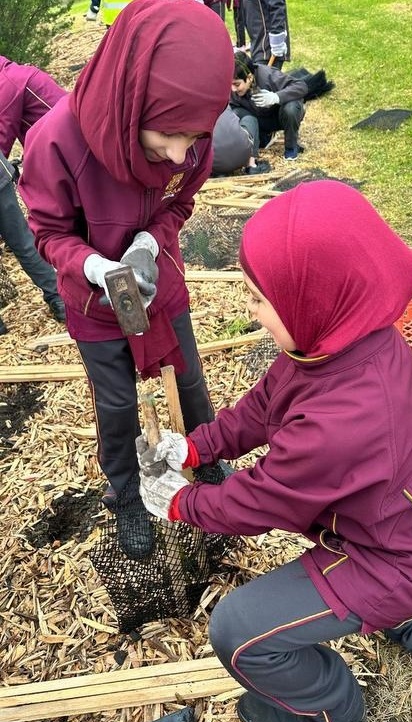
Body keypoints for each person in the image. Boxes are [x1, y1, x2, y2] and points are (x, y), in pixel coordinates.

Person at [137, 180, 412, 722]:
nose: (250, 309)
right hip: (405, 531)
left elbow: (260, 500)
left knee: (237, 631)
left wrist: (179, 500)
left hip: (398, 557)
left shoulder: (343, 418)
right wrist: (198, 448)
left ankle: (330, 705)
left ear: (311, 298)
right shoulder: (333, 340)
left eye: (259, 298)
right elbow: (264, 405)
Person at [20, 0, 234, 561]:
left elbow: (180, 201)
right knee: (116, 406)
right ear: (131, 97)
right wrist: (95, 267)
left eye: (194, 138)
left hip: (158, 280)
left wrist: (149, 241)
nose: (179, 154)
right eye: (166, 135)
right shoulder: (56, 142)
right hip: (93, 304)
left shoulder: (192, 134)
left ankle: (204, 457)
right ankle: (127, 499)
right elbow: (47, 232)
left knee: (187, 379)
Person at [0, 56, 66, 323]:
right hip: (59, 148)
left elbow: (3, 136)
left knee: (25, 242)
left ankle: (60, 297)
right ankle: (58, 297)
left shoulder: (7, 82)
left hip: (64, 149)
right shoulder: (14, 75)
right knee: (24, 242)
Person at [230, 51, 306, 160]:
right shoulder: (231, 87)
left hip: (278, 116)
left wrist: (276, 97)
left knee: (291, 108)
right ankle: (264, 137)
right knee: (235, 112)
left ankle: (291, 147)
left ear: (250, 78)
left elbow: (301, 86)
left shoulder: (268, 75)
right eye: (230, 84)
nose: (233, 89)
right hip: (257, 119)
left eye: (237, 84)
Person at [211, 106, 270, 176]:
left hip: (213, 164)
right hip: (242, 156)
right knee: (251, 119)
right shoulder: (223, 99)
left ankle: (218, 172)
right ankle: (251, 165)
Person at [242, 0, 289, 68]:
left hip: (267, 48)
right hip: (257, 43)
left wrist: (277, 41)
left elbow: (276, 6)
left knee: (266, 76)